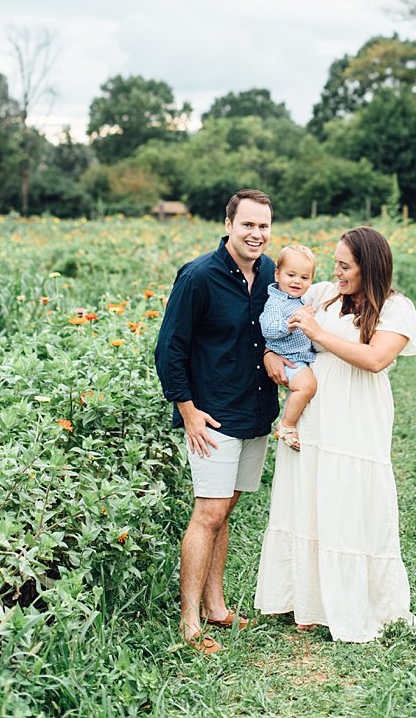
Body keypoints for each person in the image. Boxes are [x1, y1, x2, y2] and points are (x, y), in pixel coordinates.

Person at [254, 226, 416, 641]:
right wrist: (270, 351)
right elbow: (279, 322)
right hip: (316, 408)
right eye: (335, 263)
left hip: (358, 411)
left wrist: (319, 333)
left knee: (348, 494)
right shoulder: (323, 294)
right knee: (308, 491)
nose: (337, 272)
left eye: (345, 266)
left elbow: (375, 359)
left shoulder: (396, 308)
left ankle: (351, 601)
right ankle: (305, 600)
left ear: (370, 267)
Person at [154, 188, 279, 654]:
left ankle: (217, 607)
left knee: (225, 509)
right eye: (247, 224)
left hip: (256, 413)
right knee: (207, 513)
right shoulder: (199, 277)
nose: (256, 233)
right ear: (229, 225)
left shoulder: (270, 273)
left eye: (263, 226)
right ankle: (189, 622)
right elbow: (169, 350)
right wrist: (186, 411)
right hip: (211, 419)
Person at [260, 244, 319, 451]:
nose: (296, 281)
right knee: (306, 386)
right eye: (291, 275)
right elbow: (268, 329)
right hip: (287, 357)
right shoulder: (276, 303)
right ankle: (287, 424)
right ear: (277, 274)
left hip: (300, 355)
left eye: (304, 278)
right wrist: (289, 325)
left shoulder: (300, 299)